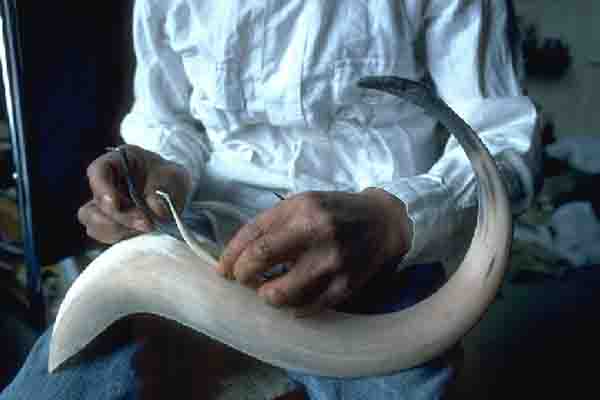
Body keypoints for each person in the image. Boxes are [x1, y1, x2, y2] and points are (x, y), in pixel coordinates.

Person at [1, 0, 542, 398]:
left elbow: (502, 138)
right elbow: (169, 119)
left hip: (378, 254)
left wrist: (392, 219)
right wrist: (161, 170)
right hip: (208, 241)